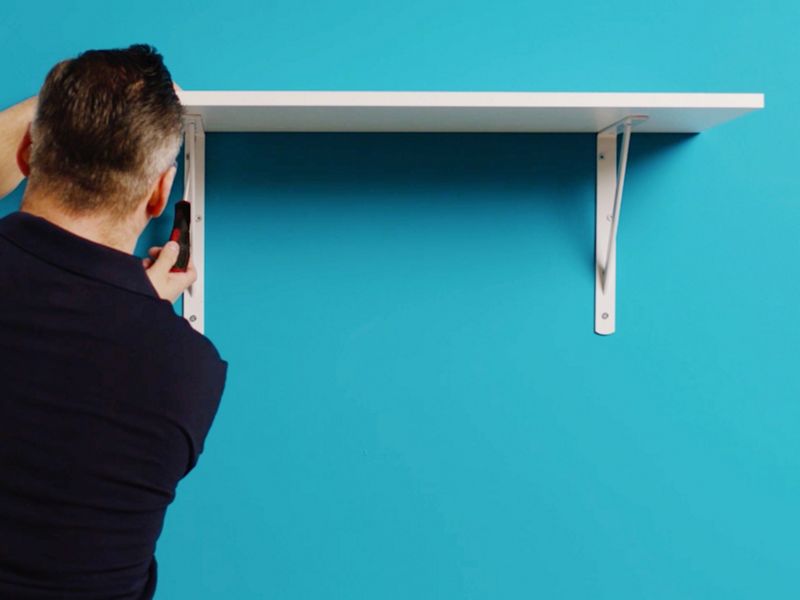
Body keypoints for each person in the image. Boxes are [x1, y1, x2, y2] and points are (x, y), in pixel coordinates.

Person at [0, 45, 228, 599]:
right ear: (159, 194)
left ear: (28, 151)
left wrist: (65, 103)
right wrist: (134, 300)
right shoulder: (191, 370)